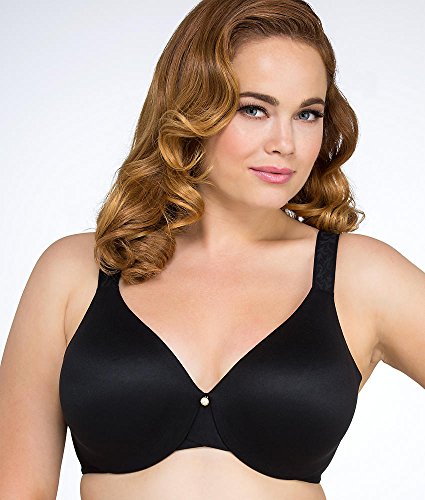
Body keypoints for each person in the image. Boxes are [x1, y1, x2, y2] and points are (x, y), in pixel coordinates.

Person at [1, 0, 424, 499]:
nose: (285, 142)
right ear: (192, 109)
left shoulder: (361, 276)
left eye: (307, 114)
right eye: (254, 109)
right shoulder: (76, 270)